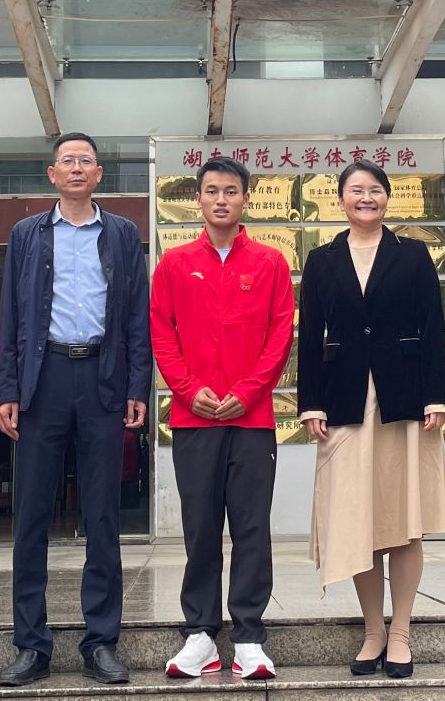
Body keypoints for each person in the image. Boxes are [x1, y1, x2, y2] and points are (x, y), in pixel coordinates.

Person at [0, 132, 150, 687]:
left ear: (99, 174)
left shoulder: (123, 234)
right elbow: (11, 315)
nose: (77, 168)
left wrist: (137, 383)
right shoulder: (27, 234)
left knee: (102, 515)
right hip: (45, 379)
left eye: (86, 160)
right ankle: (31, 645)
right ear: (52, 173)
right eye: (68, 161)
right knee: (32, 515)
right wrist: (7, 389)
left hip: (104, 377)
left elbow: (137, 315)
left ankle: (101, 642)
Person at [295, 160, 445, 681]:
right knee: (357, 518)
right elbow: (310, 335)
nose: (366, 198)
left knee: (403, 520)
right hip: (344, 401)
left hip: (404, 399)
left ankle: (401, 631)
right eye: (356, 190)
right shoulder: (322, 260)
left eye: (375, 190)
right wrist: (311, 403)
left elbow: (432, 327)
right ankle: (373, 631)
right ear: (341, 199)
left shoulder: (413, 255)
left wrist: (438, 396)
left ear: (387, 198)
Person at [150, 156, 294, 682]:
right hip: (194, 420)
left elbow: (281, 335)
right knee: (201, 528)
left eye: (231, 191)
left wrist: (249, 393)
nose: (221, 200)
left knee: (252, 528)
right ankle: (201, 635)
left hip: (252, 420)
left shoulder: (271, 263)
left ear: (245, 199)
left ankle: (250, 637)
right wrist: (189, 392)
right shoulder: (174, 264)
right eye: (211, 191)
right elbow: (161, 333)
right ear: (198, 199)